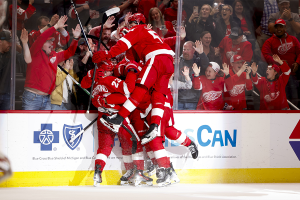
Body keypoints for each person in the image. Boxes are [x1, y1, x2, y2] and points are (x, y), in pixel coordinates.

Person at [93, 13, 175, 145]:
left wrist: (106, 54)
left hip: (156, 58)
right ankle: (154, 127)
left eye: (131, 24)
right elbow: (130, 58)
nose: (129, 27)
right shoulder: (148, 33)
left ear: (137, 23)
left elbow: (122, 45)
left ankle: (118, 119)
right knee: (159, 94)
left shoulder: (138, 30)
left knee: (140, 88)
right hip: (168, 61)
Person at [81, 61, 153, 187]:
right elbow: (127, 92)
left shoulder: (95, 83)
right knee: (134, 142)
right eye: (110, 70)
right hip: (117, 118)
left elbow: (87, 88)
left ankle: (98, 172)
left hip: (102, 118)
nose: (112, 72)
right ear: (106, 71)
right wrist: (131, 70)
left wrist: (91, 76)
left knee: (104, 148)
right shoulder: (109, 80)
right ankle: (138, 173)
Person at [22, 16, 81, 110]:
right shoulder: (35, 52)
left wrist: (76, 38)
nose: (52, 44)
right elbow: (41, 37)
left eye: (52, 41)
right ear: (42, 44)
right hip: (32, 98)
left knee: (46, 125)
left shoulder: (54, 55)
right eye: (49, 41)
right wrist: (56, 26)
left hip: (47, 98)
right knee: (29, 124)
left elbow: (70, 52)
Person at [262, 19, 300, 107]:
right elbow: (265, 55)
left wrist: (297, 63)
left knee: (294, 96)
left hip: (293, 73)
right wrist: (278, 62)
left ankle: (294, 113)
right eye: (276, 27)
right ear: (274, 29)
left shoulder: (293, 39)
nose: (279, 29)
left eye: (281, 27)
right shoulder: (269, 41)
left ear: (285, 28)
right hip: (278, 76)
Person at [178, 40, 209, 110]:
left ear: (193, 50)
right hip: (178, 100)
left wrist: (201, 53)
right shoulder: (177, 61)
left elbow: (206, 65)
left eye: (188, 49)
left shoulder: (198, 61)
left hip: (193, 100)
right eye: (184, 49)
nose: (185, 51)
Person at [0, 30, 26, 110]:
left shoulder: (11, 53)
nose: (10, 44)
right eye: (8, 42)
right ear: (0, 42)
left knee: (7, 120)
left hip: (7, 93)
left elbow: (23, 58)